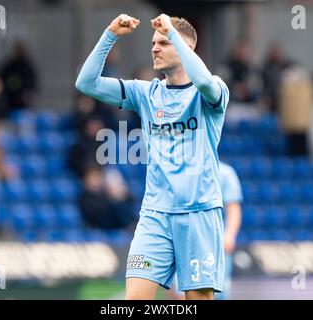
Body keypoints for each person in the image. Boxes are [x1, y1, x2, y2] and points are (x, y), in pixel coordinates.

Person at [76, 14, 229, 300]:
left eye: (163, 42)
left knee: (197, 300)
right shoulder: (145, 93)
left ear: (185, 49)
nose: (155, 48)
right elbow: (86, 84)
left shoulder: (210, 92)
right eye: (153, 43)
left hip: (198, 213)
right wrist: (110, 34)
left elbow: (205, 83)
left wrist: (171, 30)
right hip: (154, 215)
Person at [168, 161, 243, 300]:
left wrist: (229, 235)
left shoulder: (225, 172)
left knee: (217, 294)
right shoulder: (177, 170)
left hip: (215, 245)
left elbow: (233, 207)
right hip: (184, 242)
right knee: (180, 294)